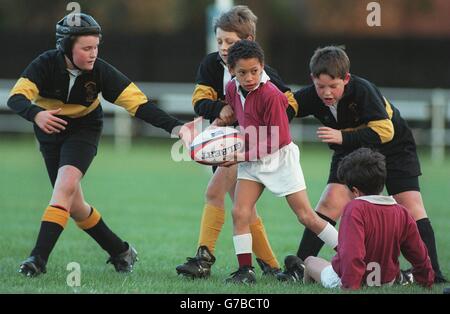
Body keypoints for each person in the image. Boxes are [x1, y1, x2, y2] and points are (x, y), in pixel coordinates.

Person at [7, 13, 193, 277]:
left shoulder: (101, 71)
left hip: (84, 129)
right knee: (74, 206)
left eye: (96, 47)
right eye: (86, 48)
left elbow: (139, 105)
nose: (93, 54)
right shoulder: (45, 64)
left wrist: (177, 127)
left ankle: (37, 260)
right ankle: (120, 250)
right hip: (49, 131)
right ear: (65, 46)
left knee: (64, 187)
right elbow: (16, 98)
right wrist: (36, 114)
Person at [277, 46, 447, 284]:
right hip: (350, 149)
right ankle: (300, 266)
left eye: (333, 86)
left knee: (410, 206)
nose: (326, 92)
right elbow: (288, 104)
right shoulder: (313, 94)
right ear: (312, 79)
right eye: (320, 86)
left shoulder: (363, 90)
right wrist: (275, 125)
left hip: (394, 147)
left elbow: (385, 131)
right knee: (330, 201)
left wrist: (342, 137)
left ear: (346, 79)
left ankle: (434, 274)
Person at [176, 5, 299, 279]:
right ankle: (272, 265)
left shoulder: (265, 75)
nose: (222, 47)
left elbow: (289, 103)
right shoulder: (210, 64)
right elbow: (198, 101)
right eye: (219, 40)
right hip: (222, 140)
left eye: (229, 42)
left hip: (246, 146)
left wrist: (261, 127)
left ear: (248, 42)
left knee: (214, 193)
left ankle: (203, 259)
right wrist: (219, 110)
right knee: (243, 209)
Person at [220, 40, 338, 284]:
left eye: (255, 70)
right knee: (240, 212)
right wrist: (212, 134)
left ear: (262, 66)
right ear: (232, 70)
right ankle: (245, 272)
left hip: (279, 158)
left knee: (307, 216)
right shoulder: (231, 89)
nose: (250, 77)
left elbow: (278, 139)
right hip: (252, 158)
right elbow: (237, 119)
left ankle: (351, 255)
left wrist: (241, 155)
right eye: (242, 72)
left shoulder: (272, 95)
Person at [303, 148, 435, 290]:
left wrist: (350, 287)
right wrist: (426, 280)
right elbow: (418, 252)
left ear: (355, 190)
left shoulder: (355, 209)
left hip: (351, 280)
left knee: (310, 261)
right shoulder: (402, 212)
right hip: (386, 280)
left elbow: (352, 253)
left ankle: (304, 286)